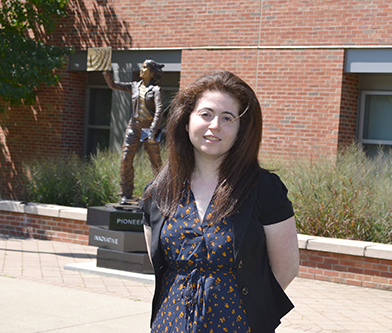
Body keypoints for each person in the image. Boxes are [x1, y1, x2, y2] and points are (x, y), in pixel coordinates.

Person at [140, 70, 300, 333]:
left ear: (241, 129)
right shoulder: (158, 192)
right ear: (186, 120)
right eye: (206, 114)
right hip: (169, 325)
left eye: (227, 118)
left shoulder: (264, 189)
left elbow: (287, 268)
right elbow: (159, 262)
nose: (214, 126)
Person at [103, 60, 165, 205]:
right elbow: (113, 85)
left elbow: (159, 110)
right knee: (125, 158)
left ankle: (162, 192)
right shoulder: (134, 86)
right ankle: (126, 194)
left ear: (152, 72)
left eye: (145, 68)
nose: (141, 70)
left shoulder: (156, 90)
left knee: (155, 161)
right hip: (134, 126)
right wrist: (106, 72)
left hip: (149, 127)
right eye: (142, 67)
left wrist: (153, 130)